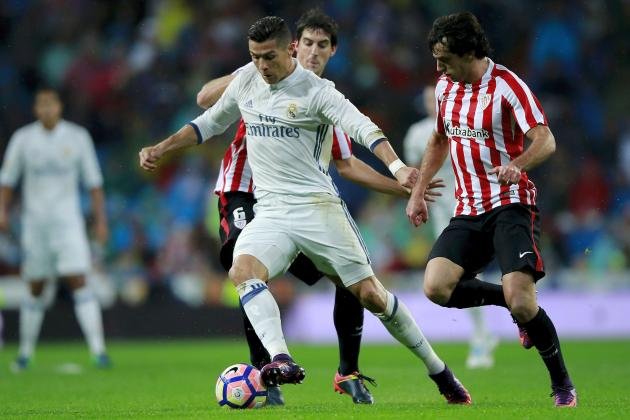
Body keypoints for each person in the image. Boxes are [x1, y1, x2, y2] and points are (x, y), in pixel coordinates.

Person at [140, 16, 471, 405]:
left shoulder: (318, 92)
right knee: (242, 270)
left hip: (318, 210)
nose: (262, 65)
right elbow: (206, 123)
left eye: (269, 57)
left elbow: (364, 129)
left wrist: (398, 169)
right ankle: (280, 360)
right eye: (255, 56)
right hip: (271, 212)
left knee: (371, 295)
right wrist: (162, 147)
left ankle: (439, 370)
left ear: (289, 50)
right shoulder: (246, 79)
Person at [405, 12, 577, 407]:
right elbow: (439, 140)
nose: (438, 68)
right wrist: (418, 191)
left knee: (524, 302)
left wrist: (518, 165)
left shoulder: (507, 86)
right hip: (468, 209)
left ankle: (563, 384)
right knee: (436, 287)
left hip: (510, 205)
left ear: (469, 52)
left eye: (445, 59)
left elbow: (545, 139)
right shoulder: (445, 88)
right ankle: (510, 303)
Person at [0, 88, 111, 371]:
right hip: (35, 224)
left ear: (59, 107)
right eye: (42, 105)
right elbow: (7, 180)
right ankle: (25, 353)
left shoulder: (77, 137)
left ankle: (98, 351)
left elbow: (94, 183)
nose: (47, 109)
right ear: (35, 109)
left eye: (51, 104)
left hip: (68, 223)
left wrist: (101, 221)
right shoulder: (23, 139)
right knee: (36, 285)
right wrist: (2, 210)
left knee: (79, 279)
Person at [404, 85, 498, 369]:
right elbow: (412, 176)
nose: (432, 104)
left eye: (436, 99)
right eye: (427, 100)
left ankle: (484, 333)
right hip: (441, 212)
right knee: (458, 274)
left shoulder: (465, 124)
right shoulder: (417, 134)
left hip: (472, 204)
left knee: (466, 271)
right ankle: (484, 332)